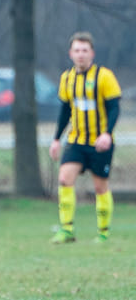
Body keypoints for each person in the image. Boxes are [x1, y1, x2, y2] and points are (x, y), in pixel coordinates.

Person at [49, 31, 121, 244]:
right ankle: (67, 230)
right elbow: (64, 111)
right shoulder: (67, 78)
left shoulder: (104, 76)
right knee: (64, 179)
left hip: (99, 143)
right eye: (77, 50)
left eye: (85, 50)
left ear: (92, 53)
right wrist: (56, 139)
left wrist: (107, 134)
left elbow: (114, 108)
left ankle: (103, 233)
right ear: (70, 53)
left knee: (100, 187)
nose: (81, 54)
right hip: (76, 141)